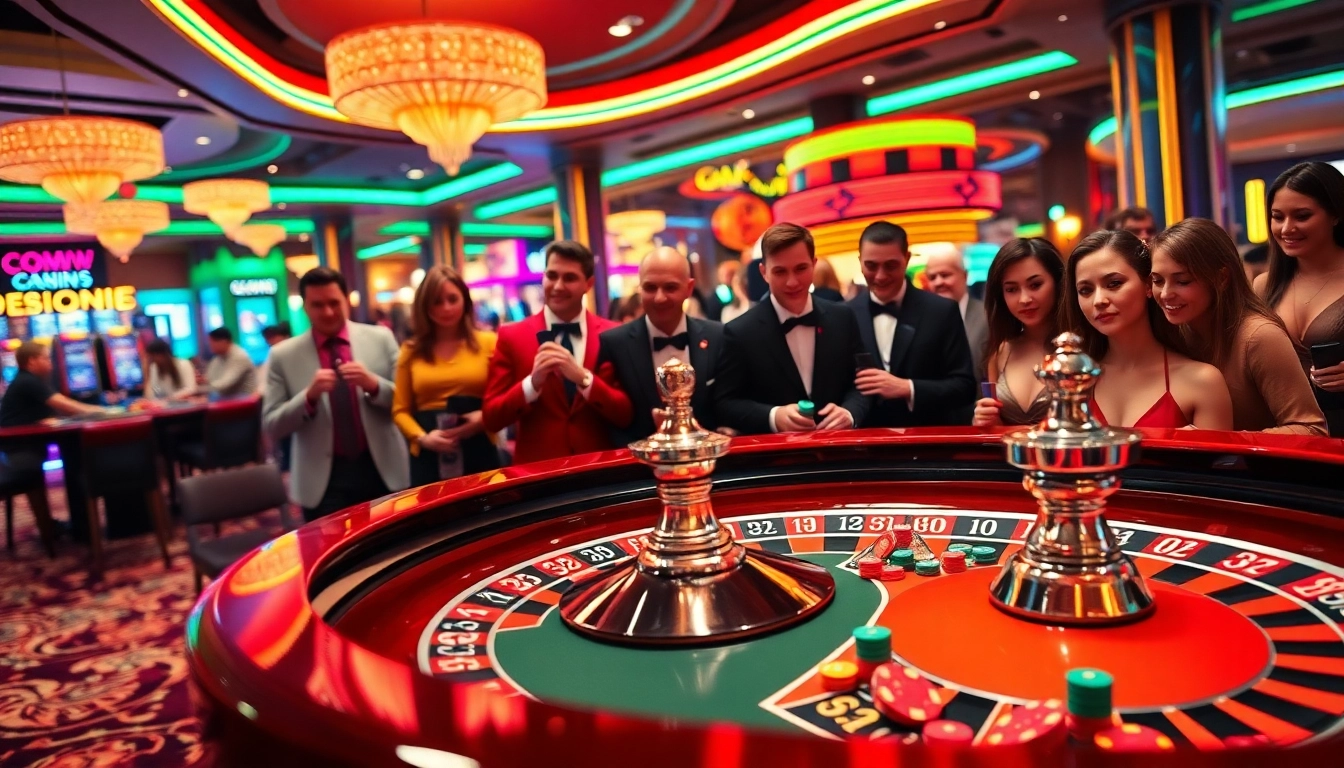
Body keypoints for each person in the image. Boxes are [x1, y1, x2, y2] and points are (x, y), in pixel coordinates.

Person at [1149, 219, 1325, 435]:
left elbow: (1312, 428)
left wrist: (1228, 441)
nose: (1166, 293)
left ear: (1222, 278)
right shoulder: (1170, 332)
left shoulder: (1258, 337)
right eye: (1157, 281)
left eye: (1183, 281)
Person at [262, 268, 409, 521]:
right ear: (305, 307)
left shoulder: (381, 338)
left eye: (334, 303)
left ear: (346, 300)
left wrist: (374, 385)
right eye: (318, 305)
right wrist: (308, 398)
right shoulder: (283, 355)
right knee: (333, 557)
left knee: (395, 551)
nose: (328, 312)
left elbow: (408, 403)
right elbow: (272, 425)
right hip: (322, 480)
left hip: (382, 468)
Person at [1063, 230, 1232, 430]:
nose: (1099, 300)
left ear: (1148, 284)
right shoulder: (1072, 380)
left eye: (1114, 283)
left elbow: (1218, 461)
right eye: (1085, 290)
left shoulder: (1202, 381)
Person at [482, 240, 632, 464]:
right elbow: (491, 418)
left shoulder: (614, 334)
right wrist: (531, 384)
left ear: (588, 283)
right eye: (552, 276)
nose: (558, 286)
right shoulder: (512, 336)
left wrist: (584, 379)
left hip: (600, 474)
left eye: (569, 278)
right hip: (537, 477)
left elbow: (627, 414)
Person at [715, 223, 870, 434]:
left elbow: (863, 382)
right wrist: (773, 416)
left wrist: (850, 413)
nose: (792, 282)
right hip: (776, 460)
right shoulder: (740, 331)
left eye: (801, 268)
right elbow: (725, 403)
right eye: (780, 271)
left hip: (839, 451)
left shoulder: (842, 317)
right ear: (764, 272)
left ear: (814, 264)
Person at [845, 222, 976, 427]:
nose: (880, 276)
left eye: (891, 265)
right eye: (871, 266)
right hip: (864, 448)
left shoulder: (941, 311)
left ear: (906, 259)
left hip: (930, 444)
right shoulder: (844, 314)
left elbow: (965, 387)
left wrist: (908, 388)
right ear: (860, 261)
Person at [1253, 161, 1344, 437]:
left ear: (1336, 215)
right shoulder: (1263, 285)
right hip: (1289, 438)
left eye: (1302, 216)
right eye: (1278, 217)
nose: (1286, 228)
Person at [600, 247, 723, 446]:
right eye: (650, 288)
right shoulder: (613, 343)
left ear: (689, 288)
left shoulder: (719, 337)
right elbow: (610, 422)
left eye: (670, 287)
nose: (659, 297)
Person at [393, 266, 501, 487]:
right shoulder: (411, 350)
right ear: (425, 306)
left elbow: (505, 397)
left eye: (453, 299)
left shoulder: (489, 342)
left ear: (465, 300)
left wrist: (485, 417)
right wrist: (423, 438)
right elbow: (400, 410)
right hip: (430, 453)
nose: (446, 308)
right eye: (437, 301)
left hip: (479, 447)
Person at [972, 239, 1066, 427]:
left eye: (1035, 285)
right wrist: (984, 418)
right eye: (1012, 289)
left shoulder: (1084, 347)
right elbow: (995, 429)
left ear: (1057, 282)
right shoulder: (1001, 352)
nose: (1024, 299)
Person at [0, 341, 105, 428]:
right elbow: (69, 407)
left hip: (24, 442)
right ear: (32, 361)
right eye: (46, 358)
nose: (50, 362)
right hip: (19, 447)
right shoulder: (27, 381)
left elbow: (61, 411)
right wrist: (104, 412)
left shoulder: (28, 379)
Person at [923, 245, 989, 378]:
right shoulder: (922, 320)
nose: (938, 282)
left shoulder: (988, 317)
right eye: (932, 277)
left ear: (965, 276)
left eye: (945, 275)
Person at [205, 327, 257, 398]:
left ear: (223, 341)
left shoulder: (239, 356)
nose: (210, 345)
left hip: (244, 399)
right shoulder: (217, 358)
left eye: (212, 342)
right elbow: (210, 379)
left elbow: (225, 385)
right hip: (226, 397)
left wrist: (200, 389)